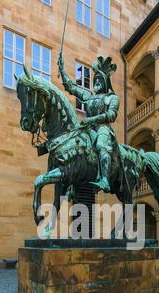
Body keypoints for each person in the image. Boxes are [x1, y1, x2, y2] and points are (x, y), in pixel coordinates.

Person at [58, 54, 120, 193]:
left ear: (105, 82)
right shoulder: (89, 96)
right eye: (95, 79)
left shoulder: (112, 98)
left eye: (100, 79)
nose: (97, 81)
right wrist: (62, 70)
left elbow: (111, 115)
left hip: (103, 128)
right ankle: (72, 183)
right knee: (73, 145)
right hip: (88, 129)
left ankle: (104, 179)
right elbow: (71, 87)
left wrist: (91, 120)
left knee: (101, 145)